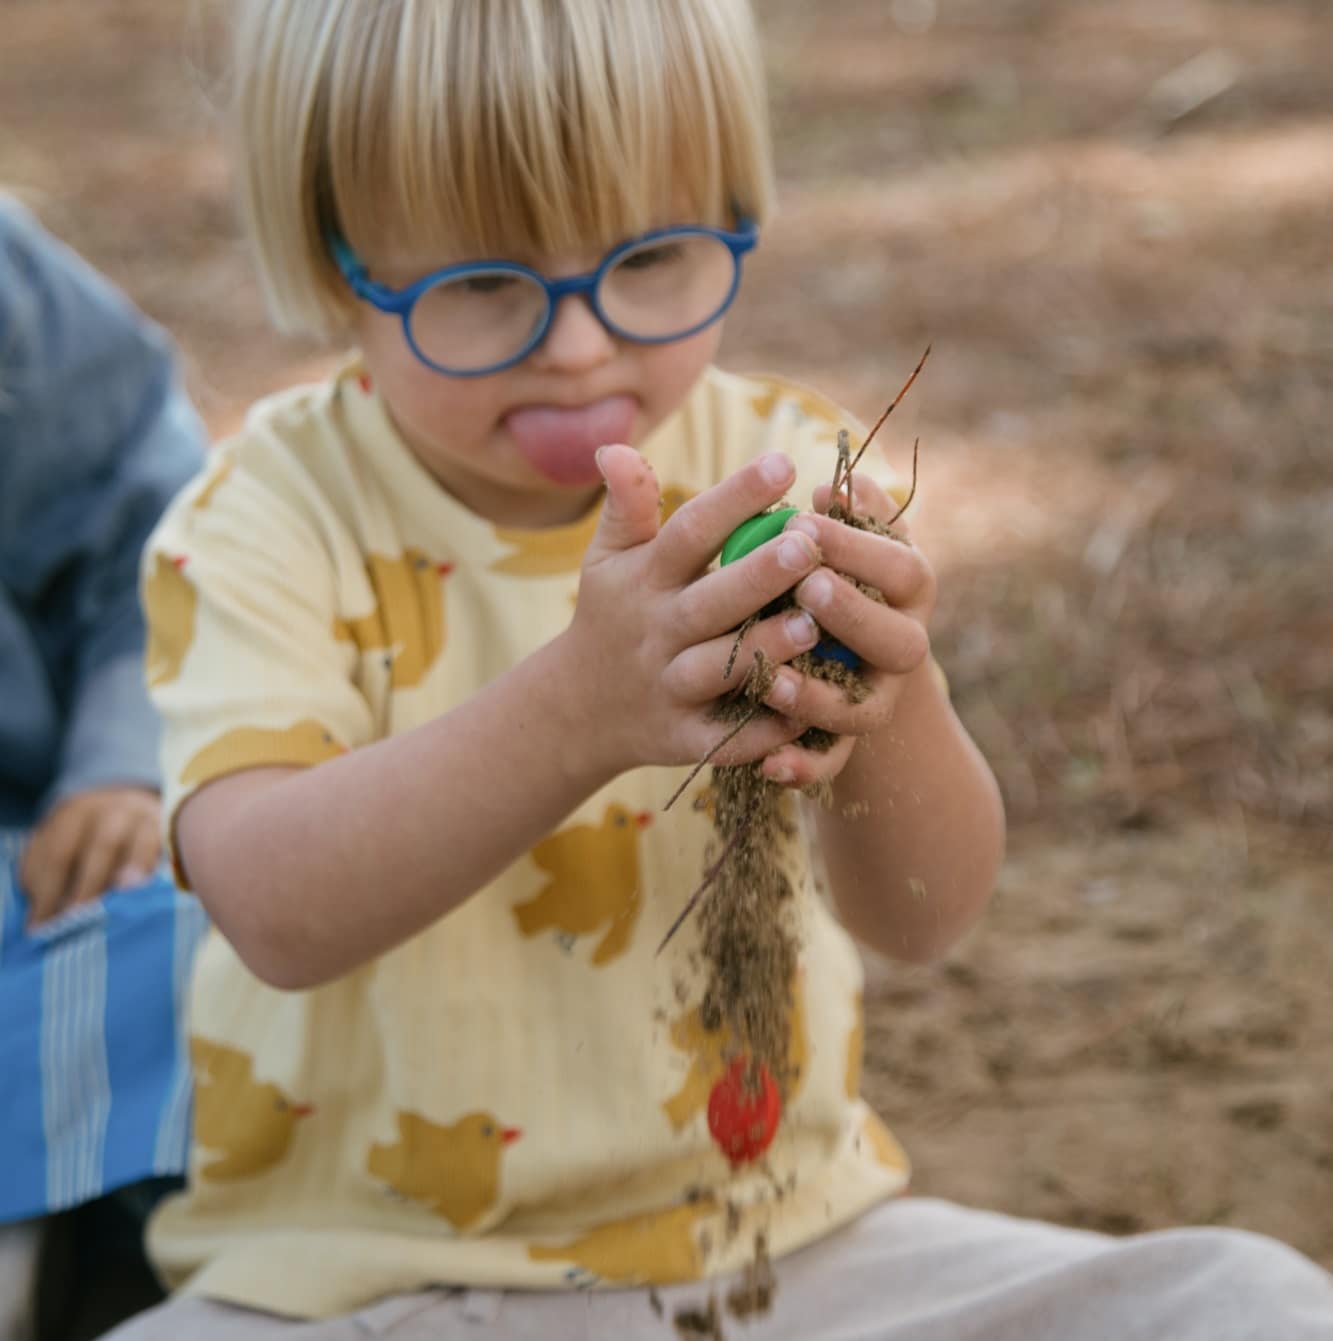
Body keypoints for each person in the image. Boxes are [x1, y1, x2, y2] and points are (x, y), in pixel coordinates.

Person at [108, 2, 1333, 1338]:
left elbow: (925, 917)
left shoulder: (788, 472)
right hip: (369, 1281)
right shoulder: (269, 518)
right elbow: (275, 909)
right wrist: (575, 710)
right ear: (340, 266)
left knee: (1245, 1300)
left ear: (735, 208)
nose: (580, 344)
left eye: (650, 260)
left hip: (784, 1255)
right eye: (478, 286)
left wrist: (895, 704)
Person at [0, 198, 209, 1341]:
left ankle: (127, 1258)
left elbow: (157, 530)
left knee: (221, 948)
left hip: (48, 869)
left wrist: (120, 767)